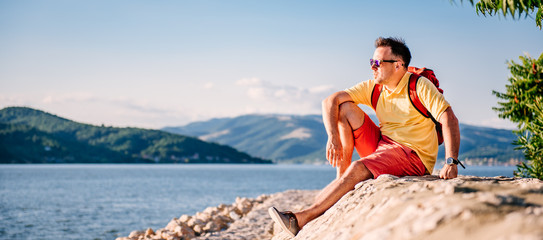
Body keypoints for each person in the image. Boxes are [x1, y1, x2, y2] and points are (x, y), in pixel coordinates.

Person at [268, 37, 462, 237]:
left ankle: (300, 219)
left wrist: (451, 161)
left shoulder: (418, 86)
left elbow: (449, 118)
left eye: (378, 63)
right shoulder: (376, 87)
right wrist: (332, 136)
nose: (373, 67)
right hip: (384, 146)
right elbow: (330, 101)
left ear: (398, 65)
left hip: (413, 156)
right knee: (344, 108)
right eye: (371, 62)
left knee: (358, 167)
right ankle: (341, 178)